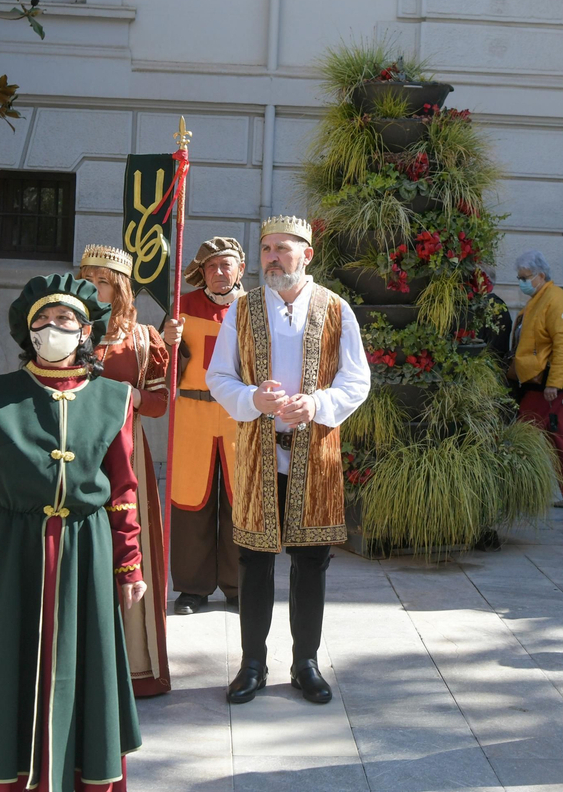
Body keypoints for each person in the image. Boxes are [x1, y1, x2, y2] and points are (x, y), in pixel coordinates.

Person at [0, 274, 144, 792]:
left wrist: (129, 564)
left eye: (65, 319)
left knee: (79, 674)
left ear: (86, 331)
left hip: (84, 551)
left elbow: (123, 489)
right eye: (42, 320)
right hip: (8, 552)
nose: (52, 328)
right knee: (1, 669)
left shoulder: (114, 398)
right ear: (28, 331)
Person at [206, 216, 370, 706]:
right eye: (266, 249)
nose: (272, 257)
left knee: (311, 561)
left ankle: (306, 663)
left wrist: (317, 404)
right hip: (259, 449)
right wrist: (253, 398)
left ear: (307, 254)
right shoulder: (244, 309)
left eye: (282, 248)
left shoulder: (337, 308)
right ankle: (252, 663)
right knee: (253, 560)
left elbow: (356, 381)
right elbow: (219, 377)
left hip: (314, 451)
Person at [78, 244, 172, 698]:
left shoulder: (142, 337)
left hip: (125, 451)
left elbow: (159, 402)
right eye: (88, 279)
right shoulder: (65, 329)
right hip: (73, 453)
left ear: (120, 289)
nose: (94, 289)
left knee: (128, 550)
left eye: (103, 282)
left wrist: (132, 398)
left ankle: (134, 664)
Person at [160, 236, 245, 615]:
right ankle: (192, 588)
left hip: (239, 416)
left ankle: (238, 586)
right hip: (192, 416)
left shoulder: (255, 310)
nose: (219, 272)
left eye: (226, 265)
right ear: (202, 273)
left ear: (240, 269)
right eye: (211, 267)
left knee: (238, 501)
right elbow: (162, 369)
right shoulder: (181, 309)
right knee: (190, 500)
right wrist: (167, 341)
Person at [510, 251, 563, 510]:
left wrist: (553, 384)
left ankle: (516, 492)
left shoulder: (554, 300)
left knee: (522, 434)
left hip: (547, 382)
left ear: (540, 276)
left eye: (525, 277)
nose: (521, 282)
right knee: (556, 434)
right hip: (540, 380)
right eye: (519, 277)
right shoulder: (540, 298)